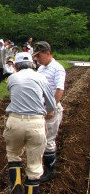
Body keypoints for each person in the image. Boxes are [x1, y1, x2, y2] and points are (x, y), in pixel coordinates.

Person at [4, 52, 56, 193]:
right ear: (32, 64)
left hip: (15, 121)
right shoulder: (41, 77)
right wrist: (46, 112)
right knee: (34, 166)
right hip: (36, 122)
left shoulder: (12, 78)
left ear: (15, 65)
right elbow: (51, 104)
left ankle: (16, 189)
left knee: (13, 155)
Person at [33, 41, 66, 183]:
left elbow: (59, 89)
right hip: (42, 108)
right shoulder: (41, 69)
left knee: (49, 140)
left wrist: (51, 108)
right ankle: (41, 166)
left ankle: (50, 171)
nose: (37, 59)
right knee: (41, 138)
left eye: (39, 56)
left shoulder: (57, 69)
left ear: (48, 53)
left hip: (51, 109)